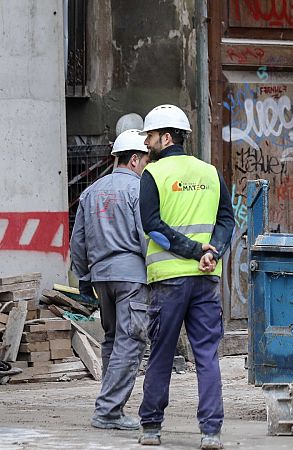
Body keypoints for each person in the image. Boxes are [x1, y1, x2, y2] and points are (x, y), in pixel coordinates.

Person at [135, 105, 234, 449]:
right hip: (206, 280)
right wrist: (213, 251)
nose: (146, 143)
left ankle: (151, 427)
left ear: (166, 137)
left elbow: (153, 227)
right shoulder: (210, 172)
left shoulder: (153, 174)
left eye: (149, 136)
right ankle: (211, 431)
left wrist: (194, 251)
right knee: (206, 354)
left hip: (168, 281)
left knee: (161, 352)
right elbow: (227, 221)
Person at [69, 129, 151, 431]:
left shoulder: (91, 192)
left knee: (113, 340)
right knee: (130, 343)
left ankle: (111, 407)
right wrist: (155, 273)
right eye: (144, 159)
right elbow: (145, 236)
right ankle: (107, 410)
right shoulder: (139, 190)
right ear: (133, 159)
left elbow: (77, 242)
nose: (145, 165)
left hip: (101, 277)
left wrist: (84, 276)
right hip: (132, 278)